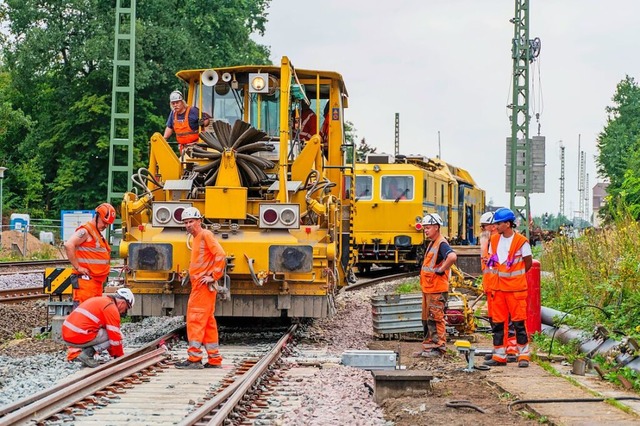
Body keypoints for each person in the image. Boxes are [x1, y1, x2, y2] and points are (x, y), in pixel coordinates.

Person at [175, 207, 227, 369]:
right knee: (208, 322)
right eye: (186, 223)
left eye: (191, 221)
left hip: (202, 287)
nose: (188, 225)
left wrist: (213, 276)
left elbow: (221, 255)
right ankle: (214, 359)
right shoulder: (197, 238)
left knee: (195, 320)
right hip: (201, 286)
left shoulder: (205, 235)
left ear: (199, 221)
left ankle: (194, 359)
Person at [483, 208, 533, 368]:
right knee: (498, 324)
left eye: (498, 223)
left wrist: (515, 276)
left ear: (507, 224)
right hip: (498, 290)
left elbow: (528, 262)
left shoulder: (521, 242)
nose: (495, 226)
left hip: (515, 290)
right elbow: (493, 261)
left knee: (519, 323)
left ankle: (523, 355)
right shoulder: (494, 240)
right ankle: (499, 356)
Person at [417, 213, 457, 357]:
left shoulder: (441, 243)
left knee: (436, 319)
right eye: (424, 228)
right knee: (427, 319)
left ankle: (439, 348)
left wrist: (441, 269)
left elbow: (452, 257)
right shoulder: (433, 243)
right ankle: (429, 347)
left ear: (436, 227)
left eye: (428, 228)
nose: (425, 231)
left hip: (437, 290)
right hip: (429, 289)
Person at [62, 288, 135, 368]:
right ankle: (87, 354)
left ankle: (85, 356)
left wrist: (113, 354)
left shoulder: (103, 301)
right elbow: (115, 337)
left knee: (103, 332)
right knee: (119, 335)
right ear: (122, 303)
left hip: (68, 333)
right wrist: (119, 357)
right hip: (78, 334)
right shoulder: (111, 308)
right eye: (126, 308)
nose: (124, 312)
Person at [64, 203, 115, 308]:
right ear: (97, 216)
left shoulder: (97, 234)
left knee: (92, 316)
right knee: (83, 315)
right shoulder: (85, 231)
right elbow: (69, 245)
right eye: (104, 222)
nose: (106, 226)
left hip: (95, 284)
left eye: (108, 224)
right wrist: (78, 267)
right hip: (86, 284)